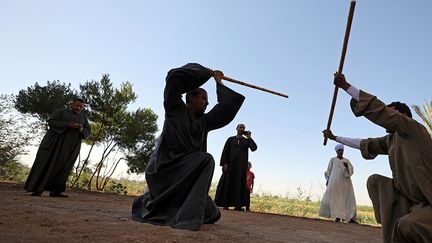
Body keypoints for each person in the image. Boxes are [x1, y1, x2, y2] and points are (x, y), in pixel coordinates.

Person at [131, 63, 245, 231]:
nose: (207, 103)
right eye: (204, 98)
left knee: (213, 214)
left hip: (186, 174)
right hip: (166, 170)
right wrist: (204, 73)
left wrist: (218, 82)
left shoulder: (204, 122)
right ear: (190, 98)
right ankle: (185, 218)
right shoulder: (174, 109)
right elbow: (174, 77)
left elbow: (226, 108)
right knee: (207, 160)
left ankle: (169, 204)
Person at [323, 72, 432, 243]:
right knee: (375, 181)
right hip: (412, 201)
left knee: (409, 225)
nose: (386, 115)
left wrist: (346, 87)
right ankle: (396, 223)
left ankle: (408, 222)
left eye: (391, 111)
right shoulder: (391, 140)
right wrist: (335, 138)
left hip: (429, 201)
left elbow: (380, 110)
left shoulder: (413, 129)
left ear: (401, 115)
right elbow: (364, 144)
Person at [25, 97, 91, 197]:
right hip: (54, 144)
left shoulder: (83, 118)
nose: (78, 108)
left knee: (64, 168)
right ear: (72, 104)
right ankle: (38, 189)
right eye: (77, 105)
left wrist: (80, 128)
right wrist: (67, 125)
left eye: (81, 107)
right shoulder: (61, 112)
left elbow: (87, 130)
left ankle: (57, 191)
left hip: (70, 147)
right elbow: (51, 121)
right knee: (46, 164)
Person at [214, 123, 258, 211]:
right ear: (236, 128)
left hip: (241, 168)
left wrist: (249, 138)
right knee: (227, 184)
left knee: (239, 185)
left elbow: (254, 148)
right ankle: (225, 204)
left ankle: (238, 205)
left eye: (243, 127)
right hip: (230, 166)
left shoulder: (246, 141)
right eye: (240, 127)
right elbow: (225, 151)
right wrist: (224, 163)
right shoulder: (230, 139)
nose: (242, 128)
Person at [319, 144, 357, 223]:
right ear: (336, 151)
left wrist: (347, 167)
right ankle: (337, 217)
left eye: (342, 150)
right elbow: (328, 170)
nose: (341, 152)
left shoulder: (347, 160)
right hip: (335, 182)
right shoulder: (332, 160)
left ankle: (349, 217)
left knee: (347, 199)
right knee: (335, 199)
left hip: (345, 184)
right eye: (339, 150)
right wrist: (328, 180)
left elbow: (351, 171)